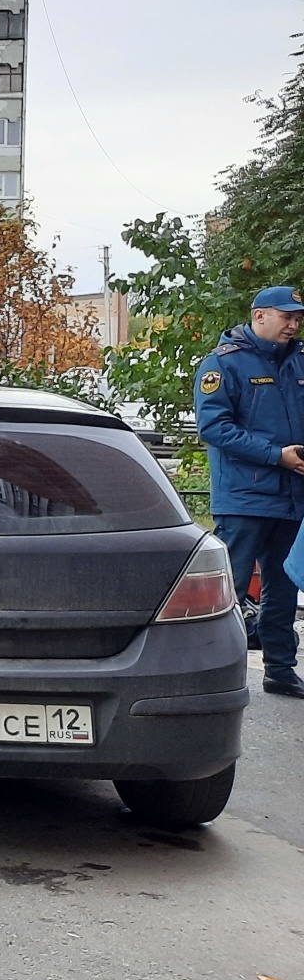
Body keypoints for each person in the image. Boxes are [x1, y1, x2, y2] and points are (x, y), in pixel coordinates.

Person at [195, 286, 304, 699]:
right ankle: (211, 675)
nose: (293, 325)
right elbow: (215, 428)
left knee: (282, 588)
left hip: (292, 495)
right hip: (245, 497)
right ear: (260, 317)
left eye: (297, 319)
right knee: (230, 590)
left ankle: (280, 669)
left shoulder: (298, 360)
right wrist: (277, 456)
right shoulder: (223, 365)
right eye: (286, 317)